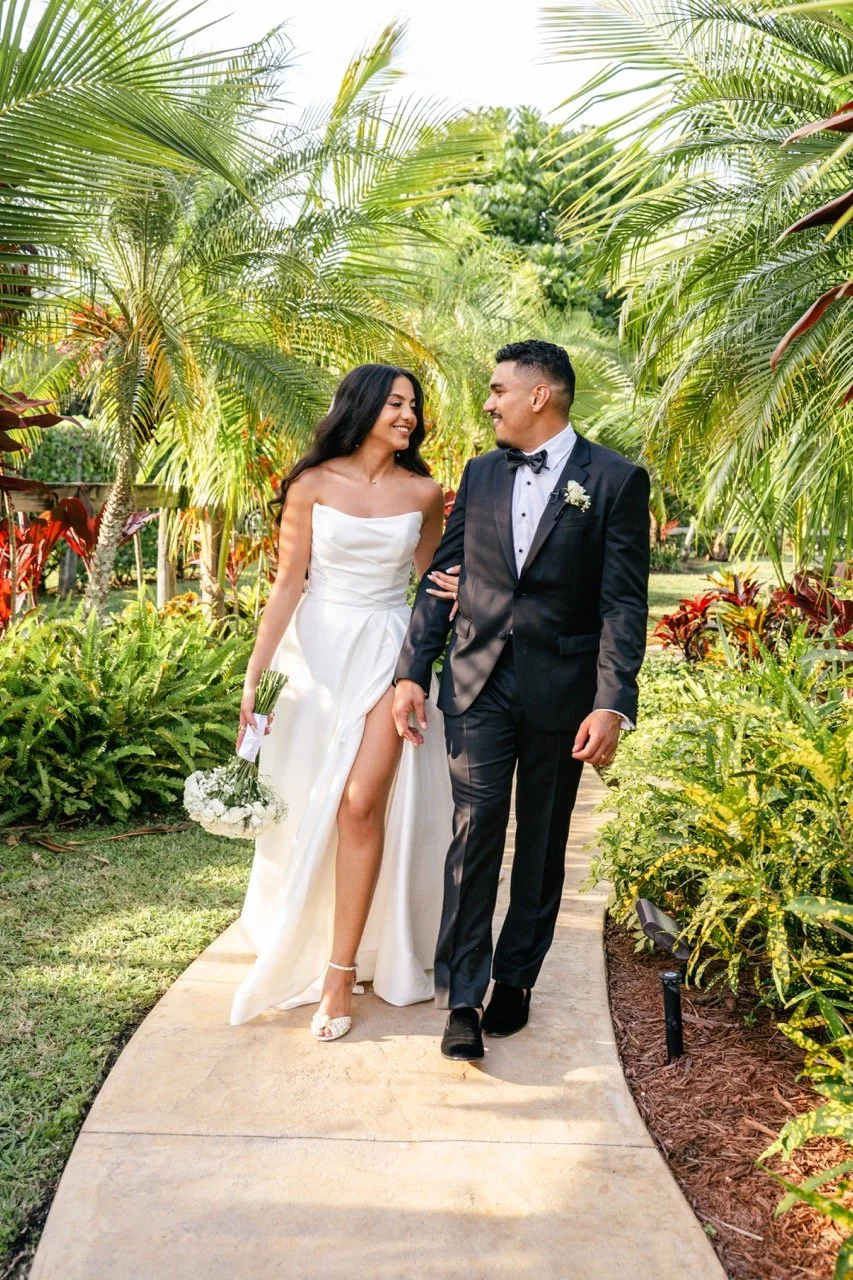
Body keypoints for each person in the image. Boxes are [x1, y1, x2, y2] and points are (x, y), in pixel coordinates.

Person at [392, 340, 650, 1061]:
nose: (487, 400)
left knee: (539, 841)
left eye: (498, 388)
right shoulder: (477, 474)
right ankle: (465, 994)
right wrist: (413, 670)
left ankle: (516, 977)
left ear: (540, 395)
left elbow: (622, 605)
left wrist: (611, 703)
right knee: (473, 834)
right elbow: (442, 578)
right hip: (476, 682)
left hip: (561, 692)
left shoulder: (615, 480)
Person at [230, 364, 457, 1040]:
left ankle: (339, 974)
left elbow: (433, 584)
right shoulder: (310, 485)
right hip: (315, 658)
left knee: (361, 803)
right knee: (309, 807)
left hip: (388, 655)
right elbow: (287, 586)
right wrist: (255, 679)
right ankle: (300, 934)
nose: (407, 416)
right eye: (394, 403)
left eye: (412, 406)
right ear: (361, 407)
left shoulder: (423, 493)